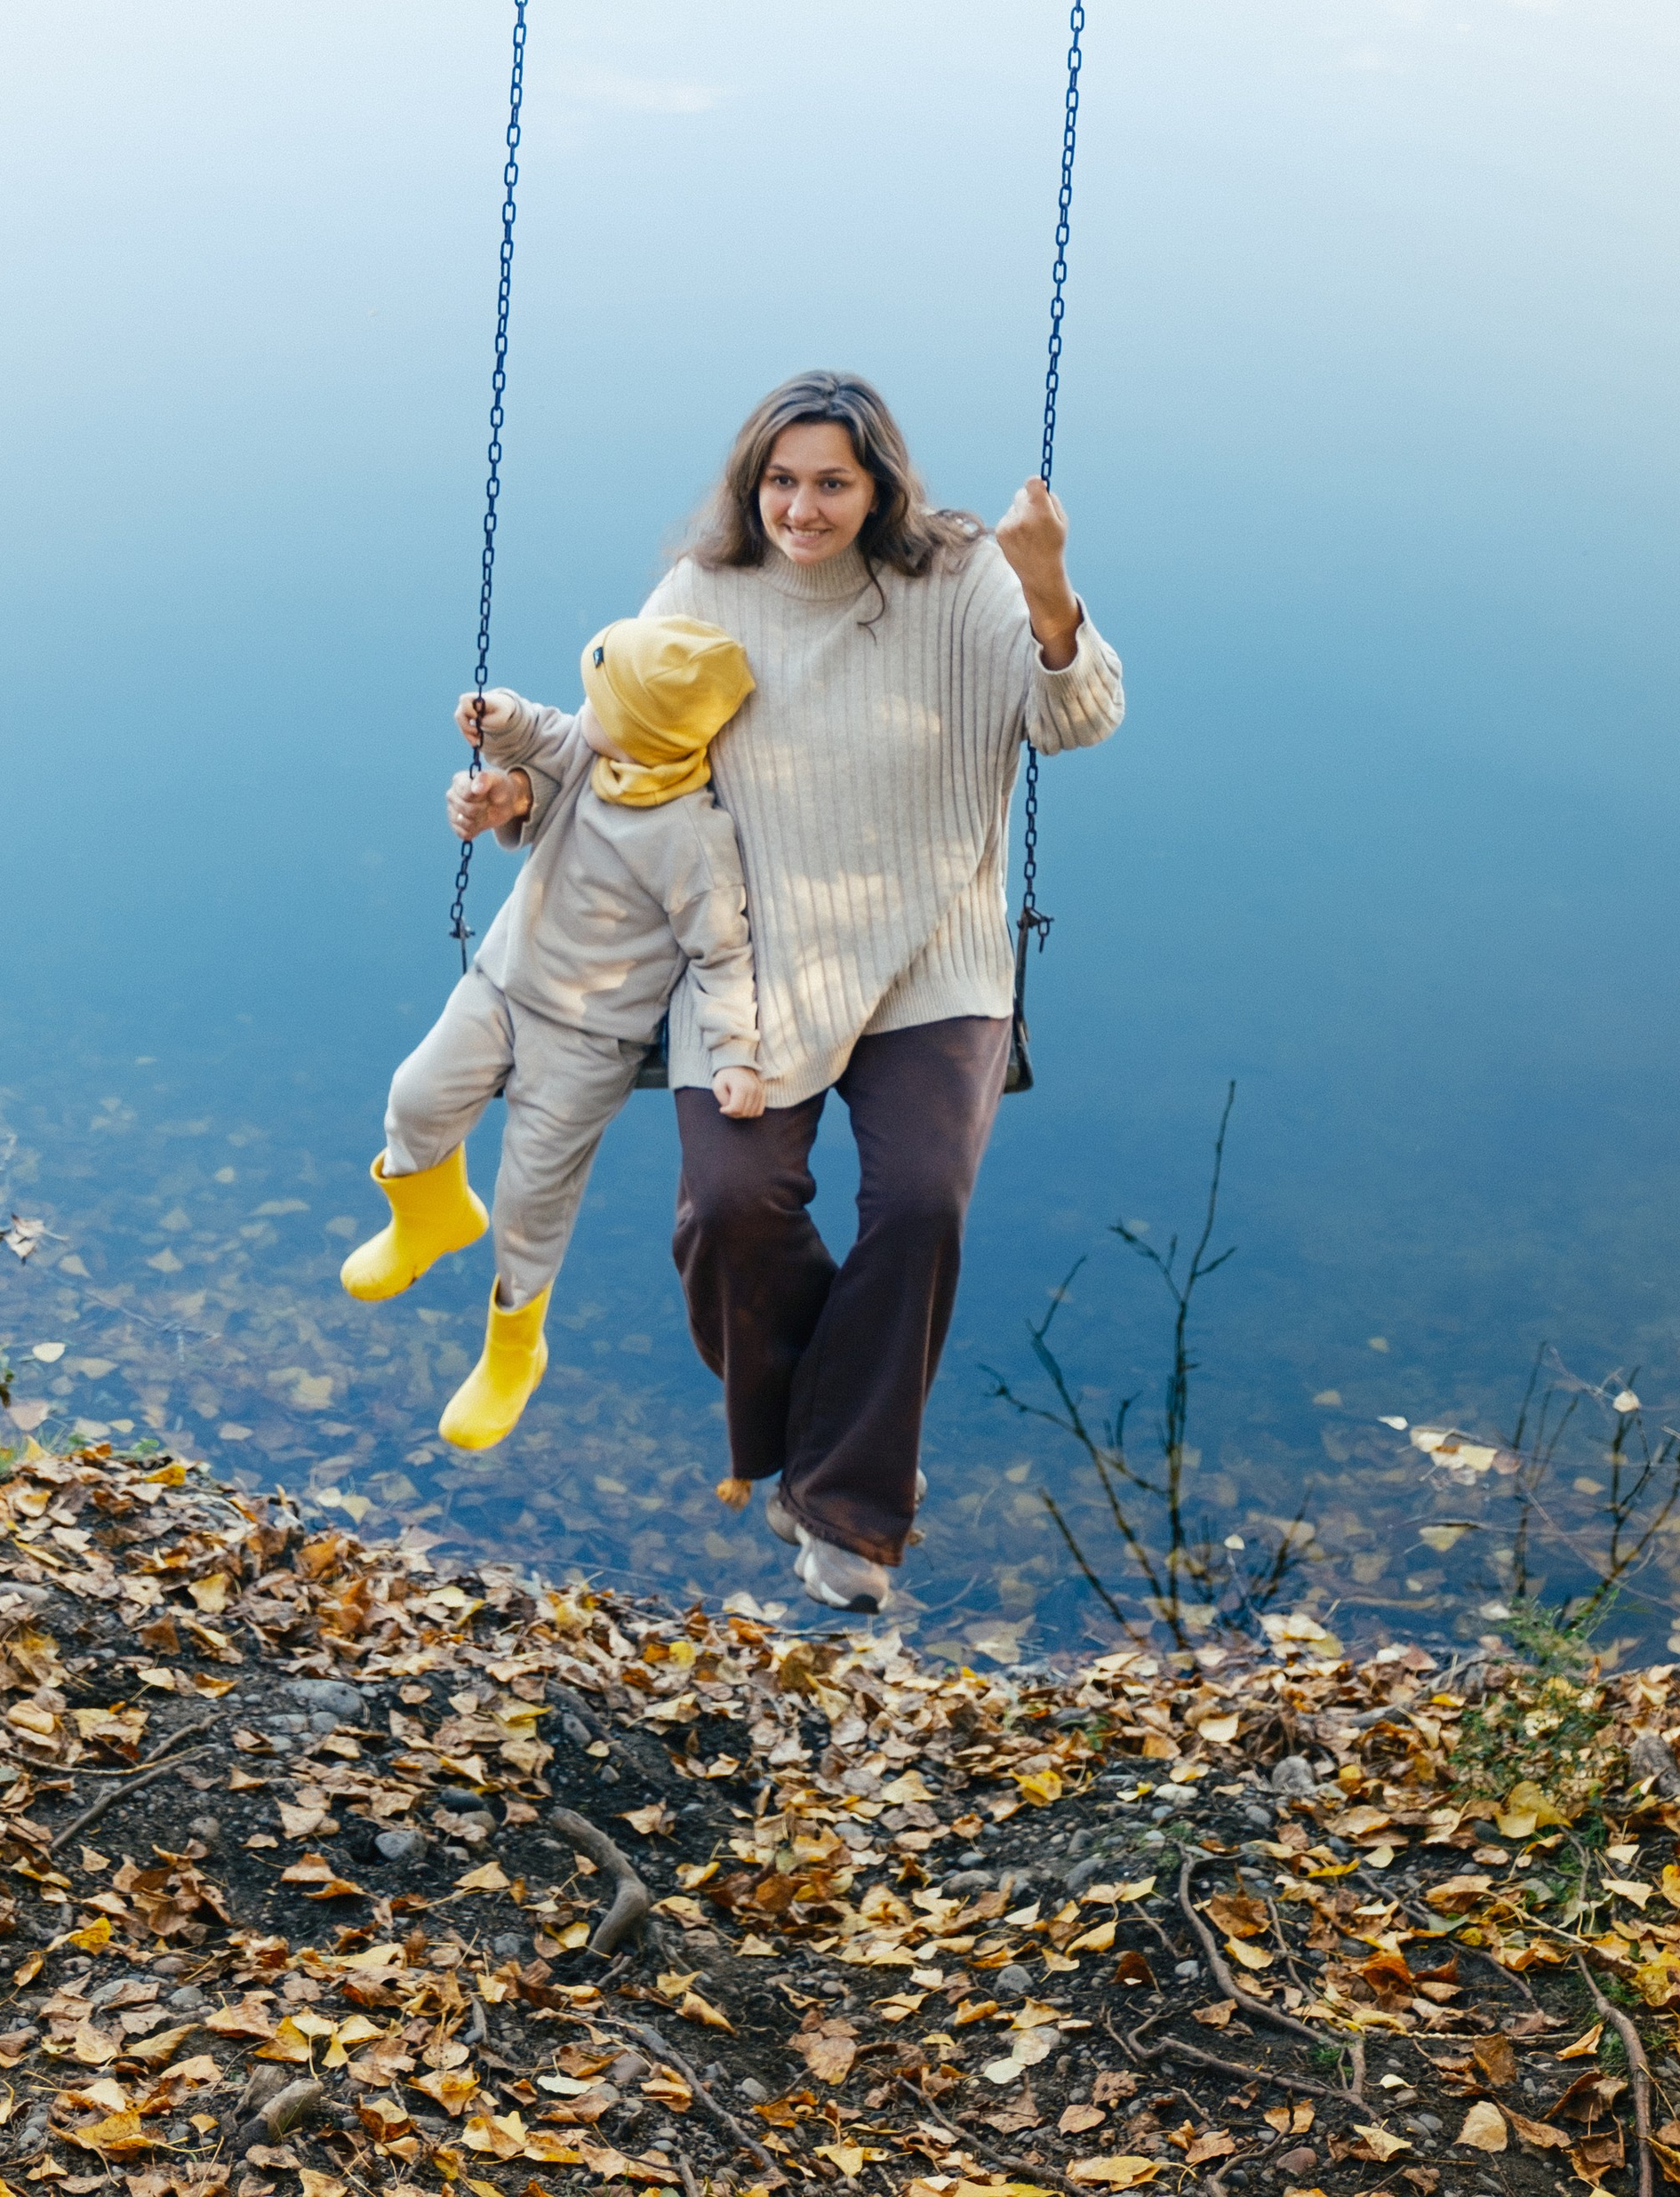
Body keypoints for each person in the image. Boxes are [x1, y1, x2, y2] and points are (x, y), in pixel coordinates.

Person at [645, 370, 1124, 1616]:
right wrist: (516, 792)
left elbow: (1077, 716)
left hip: (934, 952)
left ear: (880, 488)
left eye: (832, 483)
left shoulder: (957, 578)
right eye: (781, 482)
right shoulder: (702, 594)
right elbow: (623, 750)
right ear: (752, 485)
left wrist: (1045, 581)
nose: (802, 508)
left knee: (919, 1205)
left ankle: (848, 1505)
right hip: (754, 958)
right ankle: (832, 1432)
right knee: (730, 1209)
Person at [341, 614, 761, 1451]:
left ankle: (514, 1347)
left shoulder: (690, 839)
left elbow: (723, 953)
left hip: (587, 1042)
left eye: (601, 704)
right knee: (415, 1096)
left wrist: (735, 1054)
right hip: (501, 984)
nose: (583, 712)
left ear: (645, 734)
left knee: (530, 1200)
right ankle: (430, 1214)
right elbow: (544, 734)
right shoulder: (597, 752)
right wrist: (498, 717)